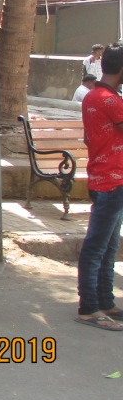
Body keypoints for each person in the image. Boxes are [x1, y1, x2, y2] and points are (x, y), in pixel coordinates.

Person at [75, 43, 123, 330]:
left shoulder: (93, 96)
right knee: (99, 246)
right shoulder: (111, 101)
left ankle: (105, 301)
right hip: (112, 180)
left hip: (104, 177)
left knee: (107, 245)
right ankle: (89, 307)